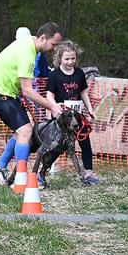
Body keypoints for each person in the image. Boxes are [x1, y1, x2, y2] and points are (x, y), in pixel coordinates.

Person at [0, 22, 64, 184]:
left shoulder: (29, 43)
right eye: (53, 44)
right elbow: (28, 90)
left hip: (3, 92)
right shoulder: (28, 53)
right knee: (26, 131)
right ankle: (21, 179)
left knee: (22, 131)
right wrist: (52, 106)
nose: (54, 49)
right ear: (43, 38)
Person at [45, 40, 100, 185]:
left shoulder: (79, 73)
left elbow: (83, 92)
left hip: (77, 117)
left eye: (73, 58)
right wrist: (54, 106)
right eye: (67, 59)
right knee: (57, 146)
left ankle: (89, 173)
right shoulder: (54, 75)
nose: (70, 62)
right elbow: (49, 95)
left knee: (85, 142)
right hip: (61, 118)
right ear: (59, 58)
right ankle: (42, 172)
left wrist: (90, 108)